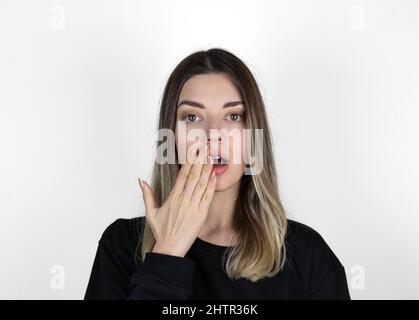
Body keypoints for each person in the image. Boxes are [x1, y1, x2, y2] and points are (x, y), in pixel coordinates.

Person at [84, 48, 351, 300]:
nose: (213, 134)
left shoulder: (307, 255)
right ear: (171, 138)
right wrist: (166, 254)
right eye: (192, 117)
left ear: (253, 138)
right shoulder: (120, 246)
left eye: (234, 116)